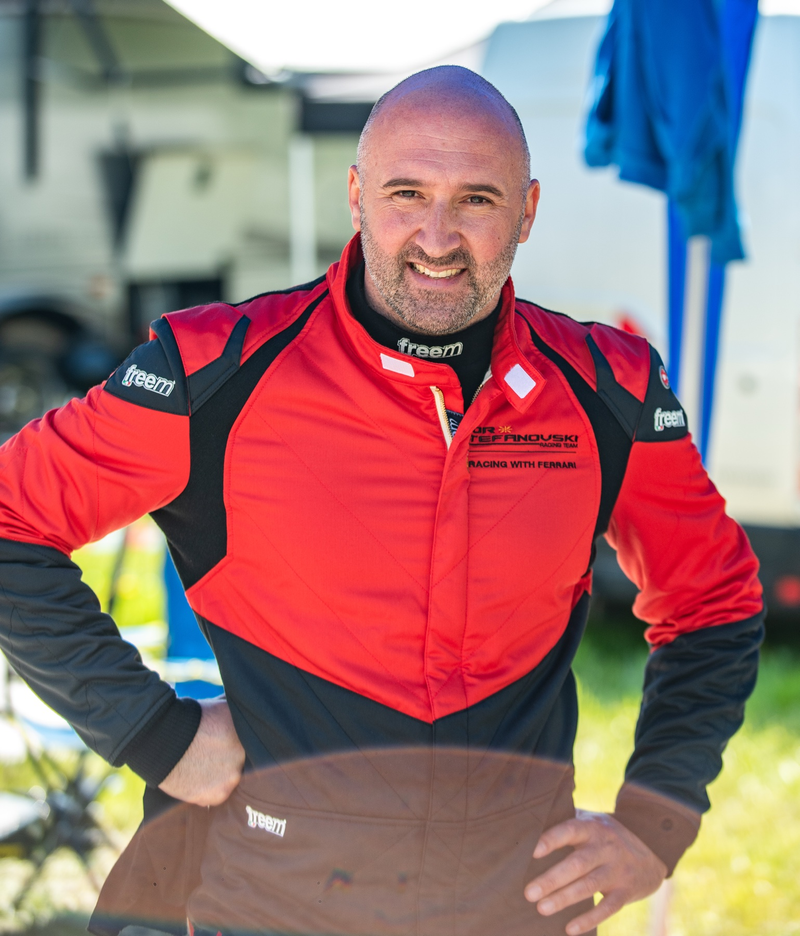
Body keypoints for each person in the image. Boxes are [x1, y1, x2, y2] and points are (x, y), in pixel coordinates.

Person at [0, 66, 763, 936]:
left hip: (509, 910)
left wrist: (655, 822)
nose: (437, 237)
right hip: (262, 902)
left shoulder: (606, 391)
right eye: (407, 193)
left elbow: (714, 599)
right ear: (357, 195)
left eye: (476, 199)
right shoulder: (216, 372)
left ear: (527, 211)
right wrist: (153, 734)